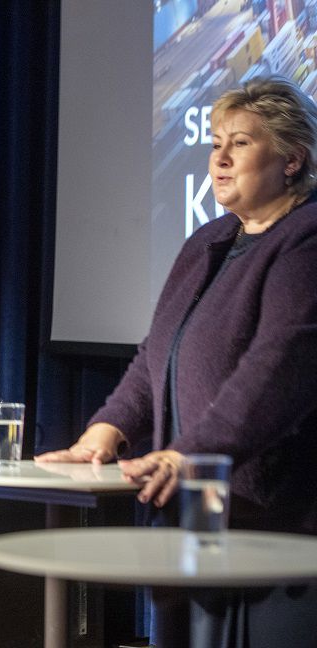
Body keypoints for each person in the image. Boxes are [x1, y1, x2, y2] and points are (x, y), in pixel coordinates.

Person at [38, 76, 317, 645]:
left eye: (241, 143)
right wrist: (106, 431)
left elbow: (278, 368)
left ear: (292, 160)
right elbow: (157, 354)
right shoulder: (208, 240)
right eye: (215, 143)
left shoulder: (306, 240)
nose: (219, 158)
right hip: (195, 511)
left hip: (276, 518)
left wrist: (189, 454)